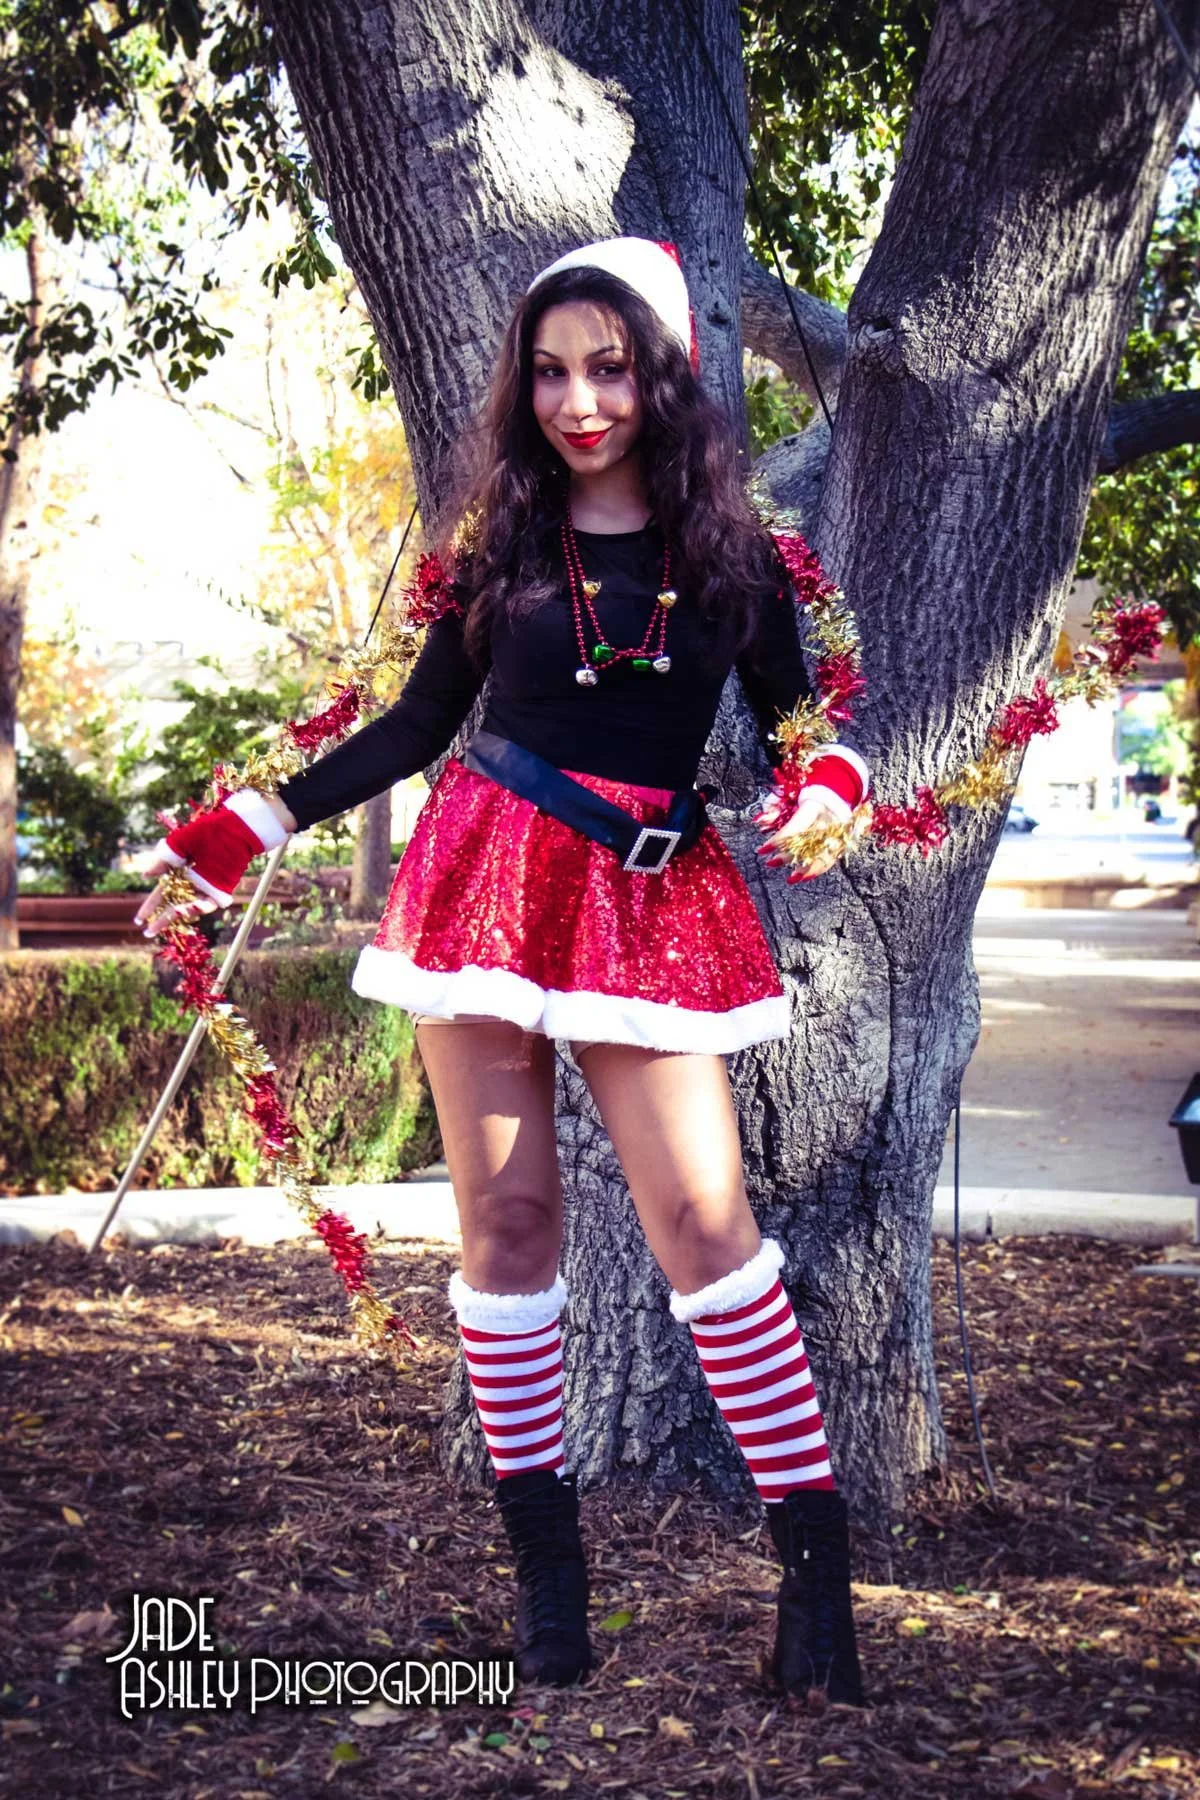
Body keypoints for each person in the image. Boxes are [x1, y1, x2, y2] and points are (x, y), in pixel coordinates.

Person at [136, 237, 871, 1704]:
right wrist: (247, 828)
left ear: (662, 374)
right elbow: (415, 730)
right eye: (551, 370)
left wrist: (833, 781)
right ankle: (549, 1597)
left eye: (608, 367)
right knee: (512, 1229)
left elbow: (810, 722)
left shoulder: (737, 558)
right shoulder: (506, 547)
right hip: (485, 881)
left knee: (706, 1234)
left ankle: (816, 1591)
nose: (578, 401)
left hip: (656, 900)